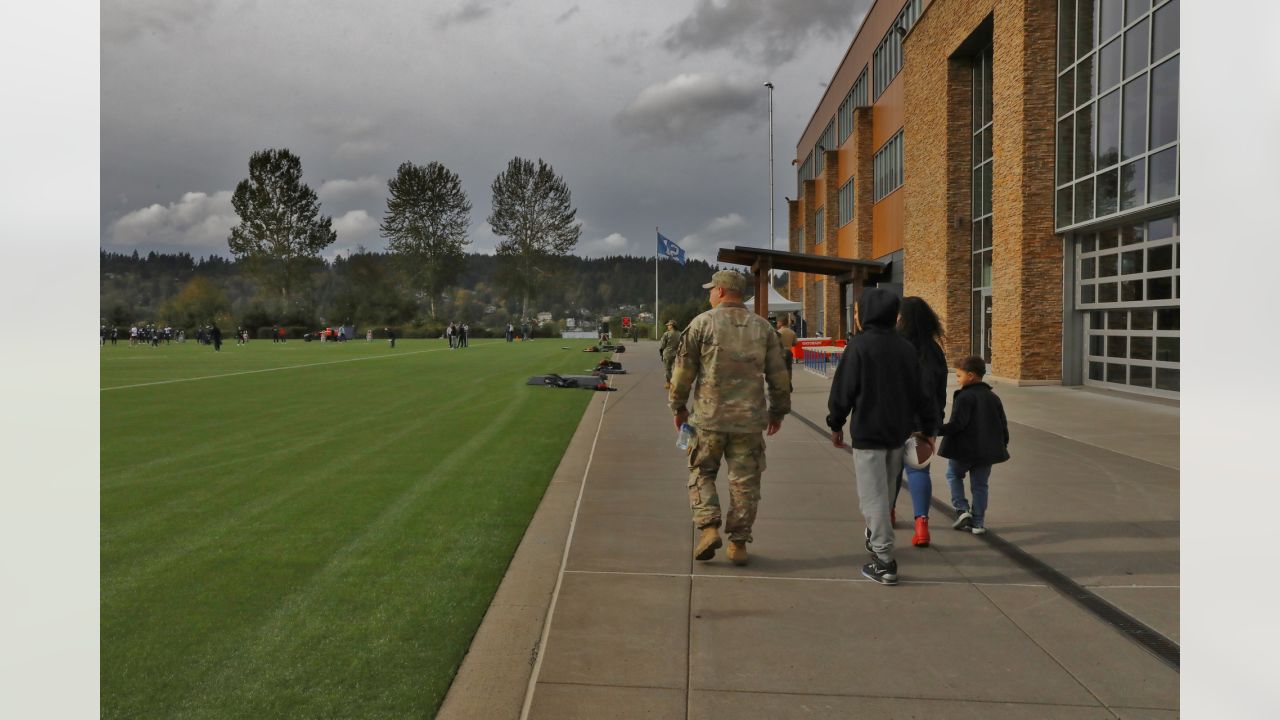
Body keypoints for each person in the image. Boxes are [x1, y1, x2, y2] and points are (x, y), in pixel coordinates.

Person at [670, 270, 791, 567]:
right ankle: (738, 544)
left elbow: (683, 371)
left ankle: (709, 527)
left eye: (711, 290)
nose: (709, 294)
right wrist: (778, 411)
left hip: (709, 419)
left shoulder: (702, 324)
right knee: (745, 483)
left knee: (702, 472)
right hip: (749, 422)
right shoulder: (763, 328)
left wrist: (678, 407)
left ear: (721, 292)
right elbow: (779, 376)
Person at [826, 288, 940, 586]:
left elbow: (843, 390)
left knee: (872, 497)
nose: (855, 317)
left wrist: (836, 423)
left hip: (868, 435)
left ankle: (884, 559)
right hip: (897, 434)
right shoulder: (905, 348)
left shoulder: (859, 347)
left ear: (866, 314)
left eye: (856, 312)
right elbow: (923, 393)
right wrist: (929, 428)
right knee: (886, 493)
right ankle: (876, 535)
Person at [895, 297, 949, 547]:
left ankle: (889, 512)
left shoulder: (895, 346)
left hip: (894, 420)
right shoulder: (935, 350)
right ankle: (922, 524)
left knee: (891, 471)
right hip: (924, 421)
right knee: (919, 471)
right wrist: (936, 421)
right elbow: (940, 391)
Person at [937, 355, 1010, 535]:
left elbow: (957, 424)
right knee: (980, 486)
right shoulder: (993, 397)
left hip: (963, 451)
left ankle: (962, 509)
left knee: (953, 475)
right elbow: (1003, 424)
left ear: (970, 375)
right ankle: (978, 523)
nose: (957, 379)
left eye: (959, 375)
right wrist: (1002, 444)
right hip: (987, 452)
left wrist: (935, 430)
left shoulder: (964, 397)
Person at [776, 314, 798, 391]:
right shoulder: (792, 332)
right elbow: (795, 343)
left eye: (777, 322)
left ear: (781, 323)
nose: (777, 324)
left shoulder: (777, 332)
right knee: (788, 369)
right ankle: (788, 383)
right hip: (789, 352)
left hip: (780, 352)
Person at [658, 320, 679, 390]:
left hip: (667, 353)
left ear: (672, 326)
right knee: (675, 369)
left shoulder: (666, 334)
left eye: (668, 325)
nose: (667, 326)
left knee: (667, 369)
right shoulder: (680, 334)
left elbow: (662, 345)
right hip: (677, 354)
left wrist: (661, 351)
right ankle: (675, 383)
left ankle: (668, 383)